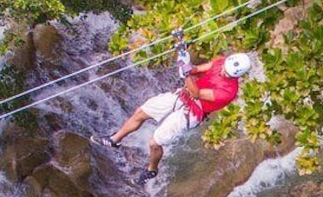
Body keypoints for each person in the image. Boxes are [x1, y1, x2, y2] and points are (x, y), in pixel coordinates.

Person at [91, 52, 252, 185]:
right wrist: (186, 62)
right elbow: (196, 69)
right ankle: (115, 140)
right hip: (183, 95)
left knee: (154, 143)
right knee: (140, 112)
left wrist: (186, 74)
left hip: (193, 112)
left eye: (227, 74)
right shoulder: (221, 62)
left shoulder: (228, 92)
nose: (223, 72)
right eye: (224, 69)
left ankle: (151, 170)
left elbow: (196, 93)